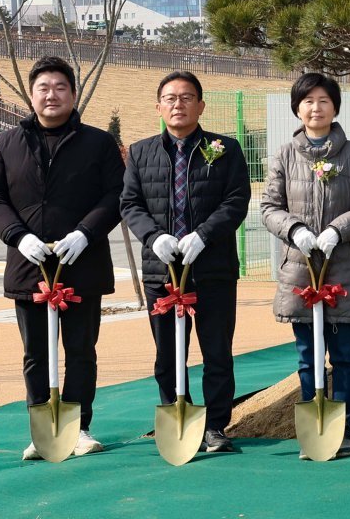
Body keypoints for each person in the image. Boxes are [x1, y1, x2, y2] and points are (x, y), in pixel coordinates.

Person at [0, 56, 124, 460]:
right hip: (30, 268)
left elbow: (116, 195)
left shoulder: (98, 142)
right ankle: (42, 430)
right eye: (43, 87)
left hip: (83, 263)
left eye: (60, 87)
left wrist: (85, 233)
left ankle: (79, 428)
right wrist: (16, 236)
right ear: (31, 94)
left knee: (80, 350)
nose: (51, 95)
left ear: (73, 94)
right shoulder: (9, 142)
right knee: (35, 354)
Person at [120, 71, 250, 454]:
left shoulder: (224, 149)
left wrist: (204, 235)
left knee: (217, 351)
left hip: (212, 269)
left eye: (187, 97)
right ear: (158, 106)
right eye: (170, 98)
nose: (178, 105)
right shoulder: (141, 152)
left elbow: (236, 200)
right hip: (162, 270)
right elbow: (130, 203)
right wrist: (154, 236)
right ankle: (177, 411)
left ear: (201, 105)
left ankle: (215, 426)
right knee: (167, 353)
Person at [261, 72, 350, 459]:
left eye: (323, 100)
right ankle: (314, 423)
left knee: (344, 353)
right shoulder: (283, 154)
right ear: (297, 107)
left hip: (342, 268)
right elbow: (268, 207)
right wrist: (293, 229)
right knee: (306, 355)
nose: (316, 107)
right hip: (300, 270)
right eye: (308, 100)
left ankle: (343, 429)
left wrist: (335, 230)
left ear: (335, 107)